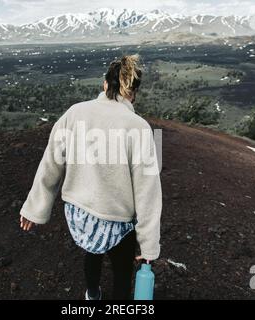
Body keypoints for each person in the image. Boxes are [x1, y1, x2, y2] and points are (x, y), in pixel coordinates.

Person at [19, 54, 162, 300]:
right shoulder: (141, 127)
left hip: (79, 214)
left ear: (105, 84)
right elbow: (149, 190)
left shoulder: (74, 113)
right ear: (134, 92)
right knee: (122, 269)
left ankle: (92, 294)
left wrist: (34, 209)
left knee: (91, 252)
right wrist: (149, 246)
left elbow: (50, 163)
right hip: (116, 218)